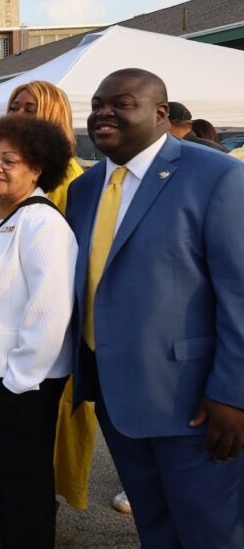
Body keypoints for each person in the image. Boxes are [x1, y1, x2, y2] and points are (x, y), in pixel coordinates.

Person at [67, 68, 244, 547]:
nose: (104, 112)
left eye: (121, 103)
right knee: (155, 527)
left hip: (193, 405)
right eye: (98, 103)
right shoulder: (84, 189)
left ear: (161, 114)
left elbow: (239, 292)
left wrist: (234, 393)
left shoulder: (217, 176)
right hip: (113, 397)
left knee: (210, 531)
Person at [0, 80, 96, 514]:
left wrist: (19, 378)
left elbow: (50, 309)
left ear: (37, 166)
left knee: (29, 477)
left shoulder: (47, 215)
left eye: (9, 160)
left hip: (23, 372)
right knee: (13, 474)